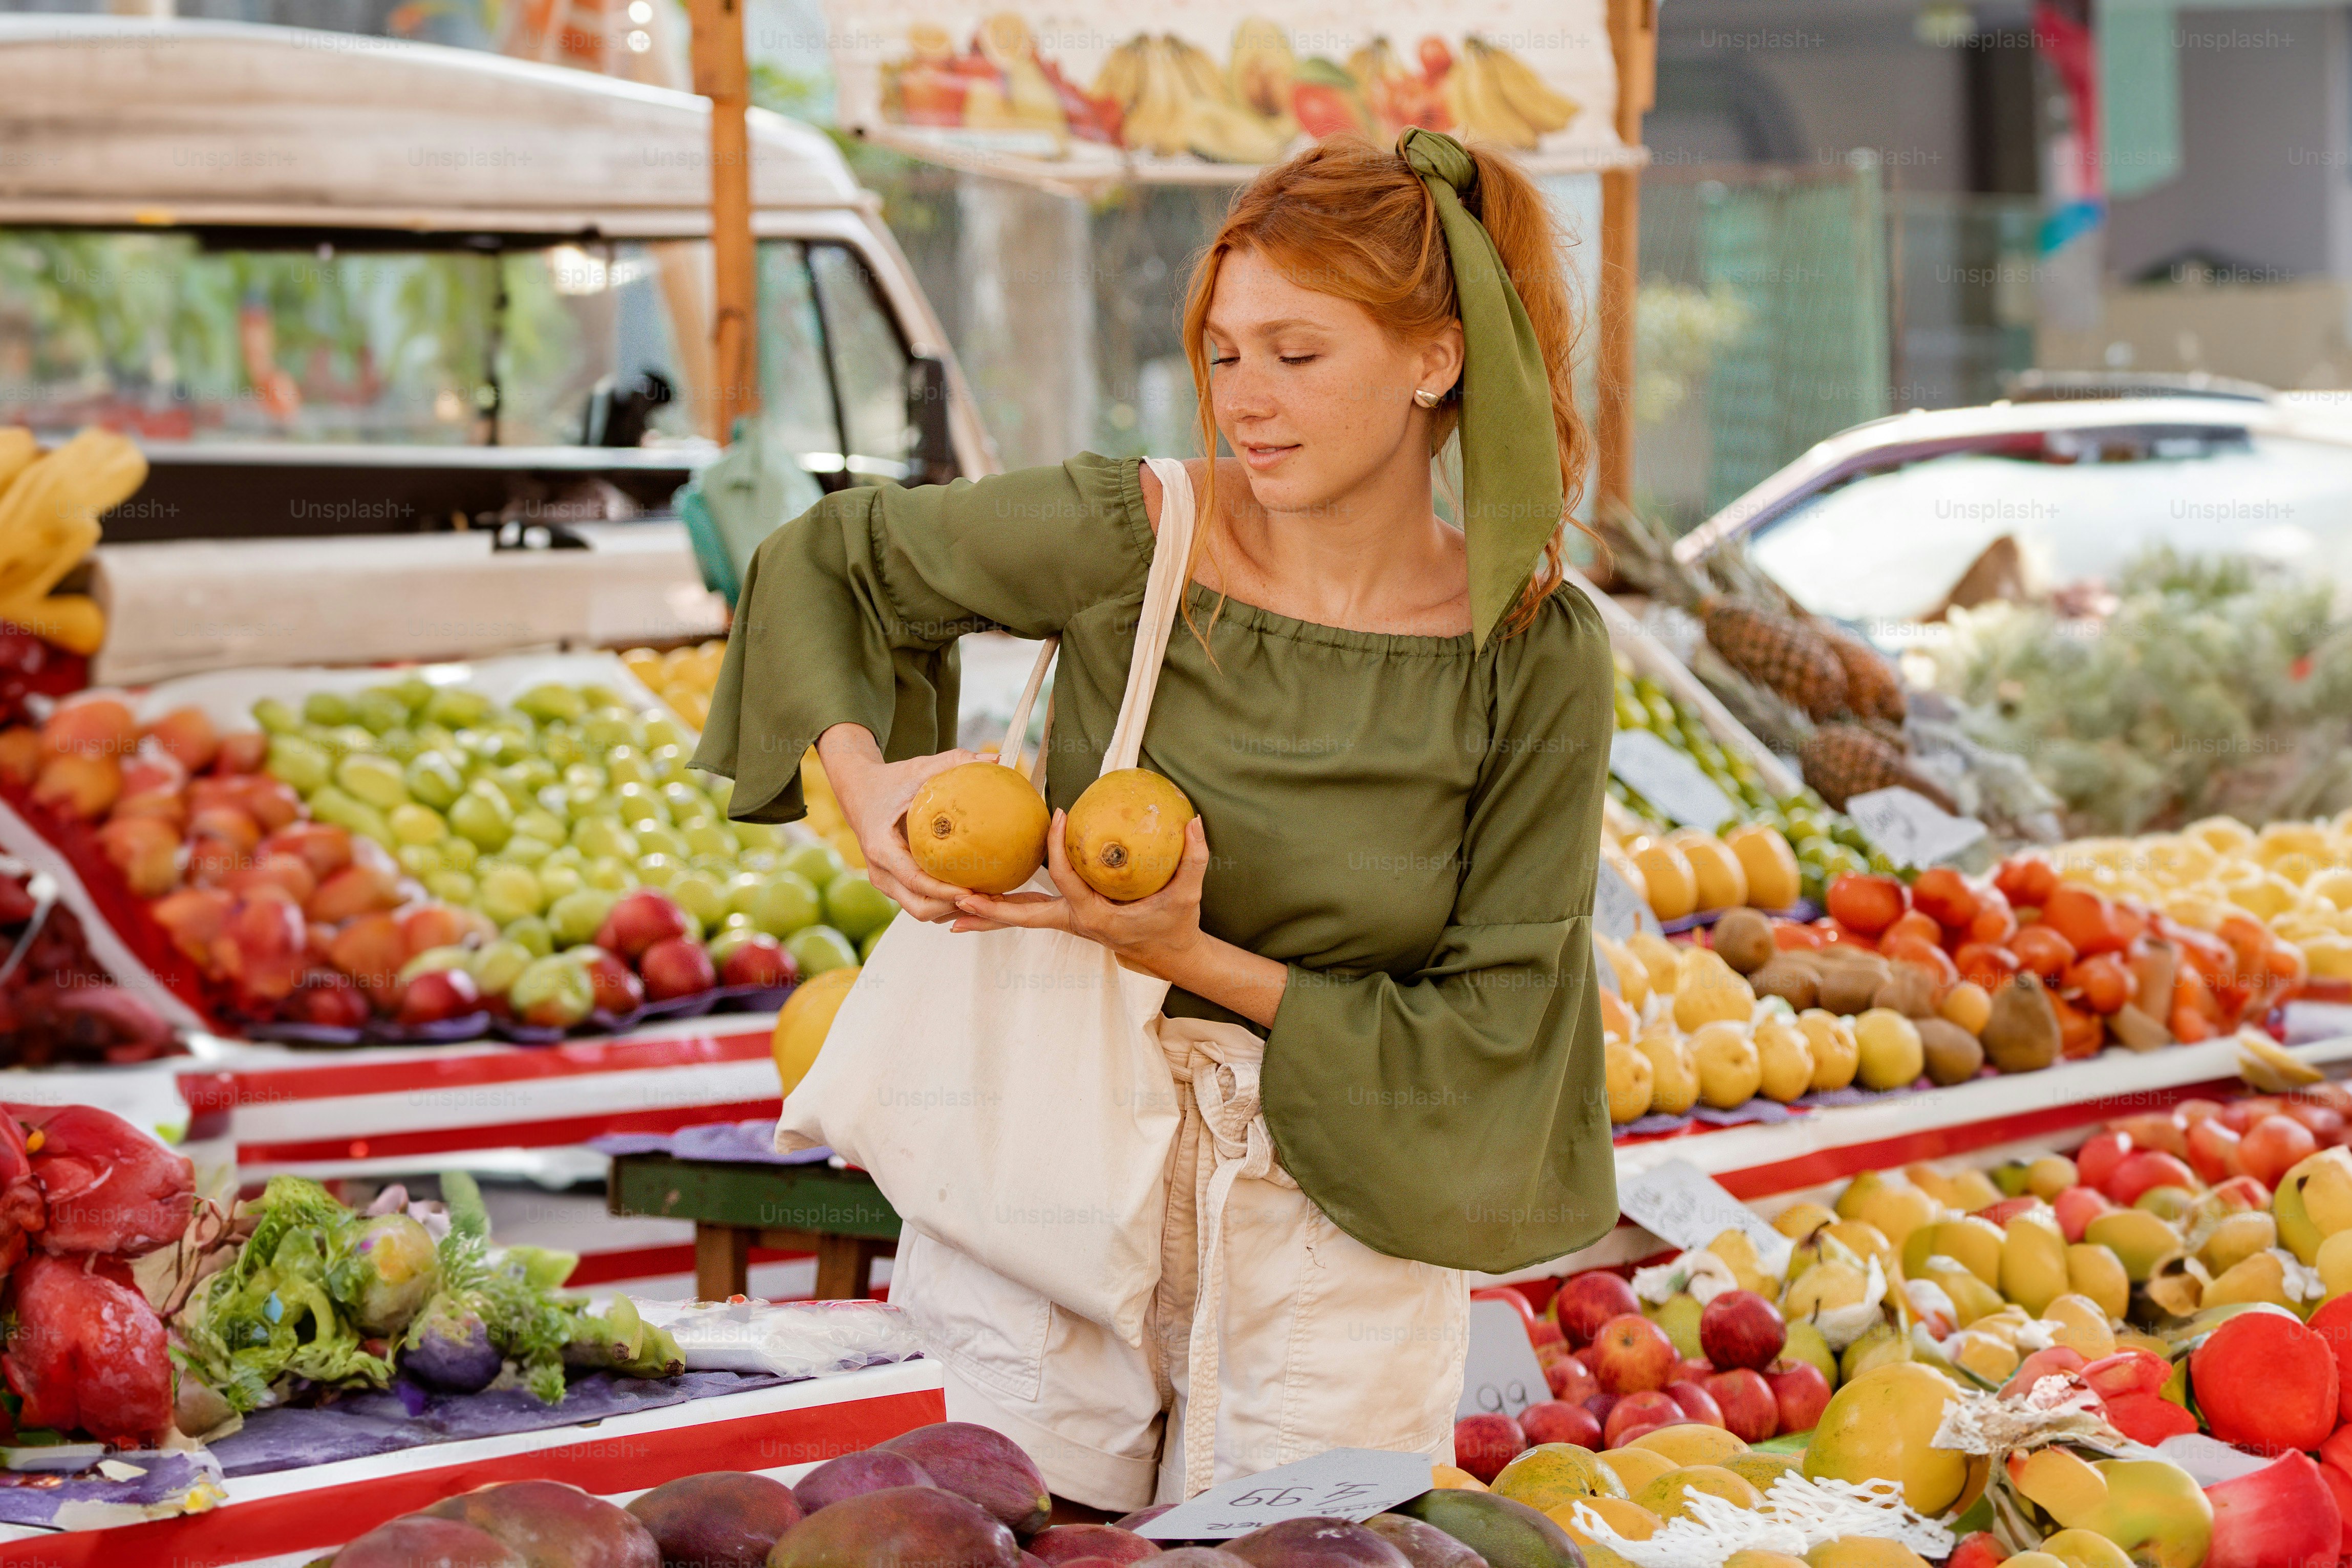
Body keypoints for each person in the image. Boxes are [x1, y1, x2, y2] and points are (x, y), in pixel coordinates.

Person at [693, 129, 1618, 1512]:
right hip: (1051, 1164)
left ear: (1433, 361)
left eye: (1296, 355)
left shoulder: (1533, 655)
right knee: (995, 1538)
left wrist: (1183, 948)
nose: (1243, 399)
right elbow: (831, 562)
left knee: (1305, 1553)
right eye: (1223, 351)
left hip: (1334, 1229)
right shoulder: (1134, 537)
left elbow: (1500, 1021)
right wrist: (866, 773)